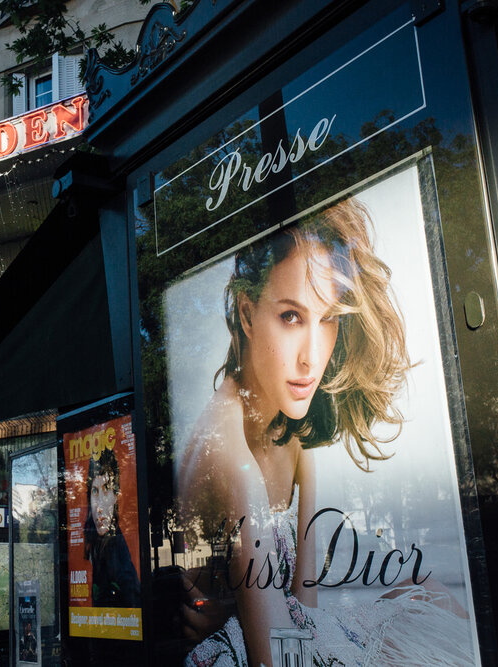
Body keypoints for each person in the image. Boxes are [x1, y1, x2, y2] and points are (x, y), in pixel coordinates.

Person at [176, 198, 471, 666]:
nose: (312, 358)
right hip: (244, 656)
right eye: (291, 316)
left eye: (328, 317)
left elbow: (304, 606)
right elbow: (273, 657)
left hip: (292, 637)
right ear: (248, 314)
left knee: (426, 594)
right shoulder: (227, 451)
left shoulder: (292, 428)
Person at [84, 448, 142, 607]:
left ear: (115, 497)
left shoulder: (115, 545)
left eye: (106, 490)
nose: (99, 506)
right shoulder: (93, 540)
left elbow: (131, 597)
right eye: (94, 491)